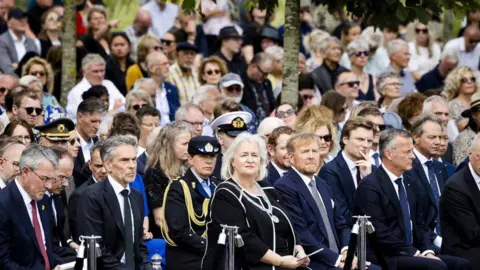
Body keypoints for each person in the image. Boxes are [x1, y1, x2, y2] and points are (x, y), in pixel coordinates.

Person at [353, 129, 471, 270]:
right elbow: (379, 233)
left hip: (412, 252)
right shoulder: (370, 186)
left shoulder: (410, 182)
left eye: (412, 151)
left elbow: (420, 225)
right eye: (407, 152)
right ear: (389, 154)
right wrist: (414, 253)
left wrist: (427, 251)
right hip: (386, 256)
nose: (413, 157)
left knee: (461, 264)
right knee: (437, 267)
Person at [202, 133, 309, 269]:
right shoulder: (225, 193)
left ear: (261, 161)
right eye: (244, 155)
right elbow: (243, 239)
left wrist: (298, 250)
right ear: (233, 161)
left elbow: (287, 224)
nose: (250, 160)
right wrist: (279, 261)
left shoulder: (268, 188)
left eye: (254, 155)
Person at [275, 132, 363, 269]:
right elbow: (301, 233)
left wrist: (346, 250)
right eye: (305, 152)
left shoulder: (323, 184)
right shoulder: (284, 186)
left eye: (314, 151)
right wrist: (337, 260)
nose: (311, 156)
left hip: (340, 258)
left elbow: (341, 224)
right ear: (291, 158)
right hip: (315, 262)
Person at [78, 135, 151, 269]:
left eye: (134, 160)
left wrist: (147, 266)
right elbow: (97, 249)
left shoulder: (136, 196)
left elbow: (139, 245)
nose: (132, 166)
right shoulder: (92, 196)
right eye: (124, 160)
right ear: (107, 165)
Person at [162, 136, 221, 269]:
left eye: (212, 157)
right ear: (190, 159)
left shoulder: (219, 186)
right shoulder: (179, 187)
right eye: (202, 156)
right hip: (188, 257)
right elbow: (179, 232)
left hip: (216, 255)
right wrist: (211, 247)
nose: (208, 161)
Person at [0, 144, 62, 269]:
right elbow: (3, 261)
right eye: (44, 179)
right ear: (25, 172)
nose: (49, 186)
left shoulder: (44, 200)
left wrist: (57, 264)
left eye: (52, 180)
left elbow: (48, 246)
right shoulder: (3, 204)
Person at [319, 117, 375, 226]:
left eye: (369, 141)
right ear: (345, 139)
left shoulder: (374, 171)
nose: (365, 145)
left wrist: (369, 177)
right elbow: (343, 215)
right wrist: (367, 183)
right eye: (360, 139)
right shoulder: (330, 171)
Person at [404, 115, 448, 252]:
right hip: (422, 242)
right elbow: (414, 215)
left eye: (440, 137)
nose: (438, 142)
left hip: (447, 236)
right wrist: (437, 240)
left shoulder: (440, 167)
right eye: (432, 137)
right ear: (416, 138)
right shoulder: (407, 167)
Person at [144, 122, 192, 238]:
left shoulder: (188, 170)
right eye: (184, 144)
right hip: (168, 239)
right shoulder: (155, 172)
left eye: (190, 143)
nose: (189, 148)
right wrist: (186, 238)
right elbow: (159, 219)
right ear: (169, 145)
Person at [440, 133, 480, 267]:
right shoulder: (456, 187)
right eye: (479, 156)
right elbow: (472, 234)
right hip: (464, 250)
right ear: (470, 154)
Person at [66, 53, 125, 122]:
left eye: (102, 70)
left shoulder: (109, 84)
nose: (100, 75)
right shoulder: (76, 92)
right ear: (84, 72)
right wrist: (112, 112)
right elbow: (86, 117)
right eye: (95, 71)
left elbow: (123, 105)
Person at [68, 141, 106, 244]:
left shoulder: (121, 190)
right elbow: (80, 237)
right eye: (98, 166)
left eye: (106, 165)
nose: (103, 170)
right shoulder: (79, 196)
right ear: (90, 165)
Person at [47, 147, 77, 261]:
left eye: (68, 178)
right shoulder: (37, 201)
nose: (65, 184)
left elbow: (59, 233)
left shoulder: (58, 194)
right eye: (62, 177)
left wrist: (70, 243)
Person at [210, 111, 252, 179]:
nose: (239, 140)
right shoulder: (213, 166)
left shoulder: (251, 163)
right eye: (234, 136)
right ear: (220, 139)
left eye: (242, 136)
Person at [73, 99, 104, 187]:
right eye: (93, 121)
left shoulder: (100, 142)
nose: (97, 126)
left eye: (99, 122)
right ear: (80, 117)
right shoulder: (67, 142)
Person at [146, 51, 180, 125]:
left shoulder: (172, 88)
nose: (168, 67)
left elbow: (177, 114)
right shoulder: (142, 88)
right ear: (152, 68)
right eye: (164, 64)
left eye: (168, 63)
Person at [0, 8, 39, 74]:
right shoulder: (2, 41)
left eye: (24, 18)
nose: (23, 21)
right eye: (18, 18)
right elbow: (7, 68)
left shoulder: (31, 42)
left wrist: (17, 66)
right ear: (9, 23)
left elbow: (37, 64)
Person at [241, 52, 275, 122]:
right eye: (264, 73)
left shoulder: (266, 83)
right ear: (254, 66)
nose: (266, 77)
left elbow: (272, 105)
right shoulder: (241, 82)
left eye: (268, 73)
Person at [422, 96, 456, 162]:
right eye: (438, 113)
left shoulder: (448, 147)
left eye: (446, 114)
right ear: (424, 114)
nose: (444, 118)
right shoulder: (410, 143)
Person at [445, 67, 478, 133]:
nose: (469, 82)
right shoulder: (453, 104)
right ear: (456, 83)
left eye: (472, 79)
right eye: (464, 80)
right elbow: (464, 127)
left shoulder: (477, 101)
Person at [105, 32, 135, 96]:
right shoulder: (106, 67)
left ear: (129, 47)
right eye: (116, 45)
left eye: (122, 45)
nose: (119, 48)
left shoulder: (134, 66)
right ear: (110, 48)